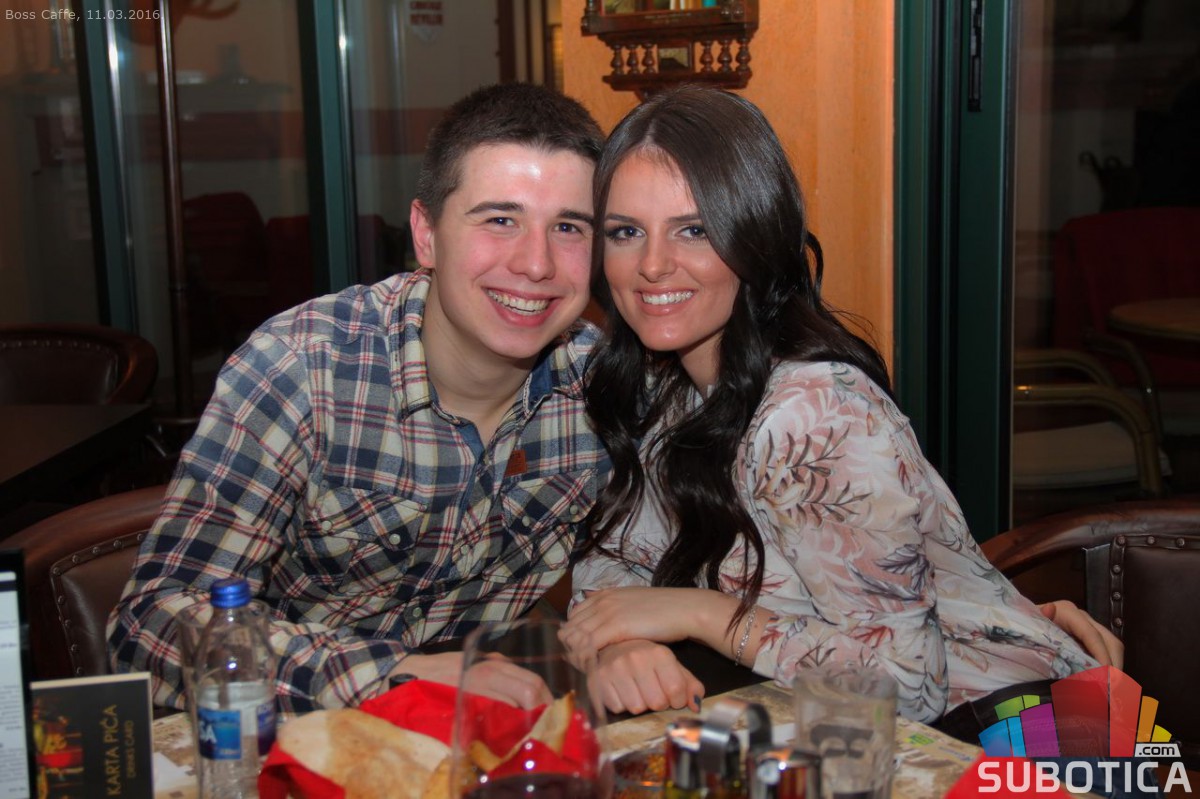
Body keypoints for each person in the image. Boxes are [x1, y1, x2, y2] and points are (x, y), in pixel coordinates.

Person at [560, 85, 1120, 726]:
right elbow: (615, 562)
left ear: (755, 237)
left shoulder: (813, 411)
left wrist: (702, 613)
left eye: (695, 230)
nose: (653, 265)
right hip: (849, 733)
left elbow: (907, 688)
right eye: (626, 232)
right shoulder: (671, 387)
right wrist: (623, 643)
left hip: (1028, 733)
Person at [107, 82, 609, 715]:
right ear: (426, 234)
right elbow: (149, 624)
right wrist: (395, 675)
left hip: (474, 727)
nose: (536, 263)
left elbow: (647, 551)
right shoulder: (302, 367)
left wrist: (629, 633)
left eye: (568, 227)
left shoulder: (605, 388)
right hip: (294, 726)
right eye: (500, 220)